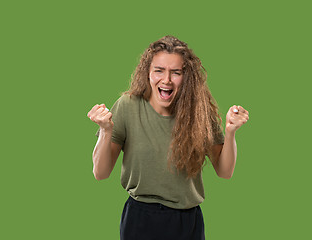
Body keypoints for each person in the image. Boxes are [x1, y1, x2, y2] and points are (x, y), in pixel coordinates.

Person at [87, 35, 249, 240]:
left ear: (186, 76)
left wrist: (230, 131)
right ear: (147, 72)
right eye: (159, 70)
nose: (167, 80)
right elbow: (100, 173)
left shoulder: (198, 111)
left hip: (187, 221)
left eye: (176, 72)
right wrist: (105, 130)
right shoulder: (127, 106)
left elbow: (225, 172)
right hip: (140, 219)